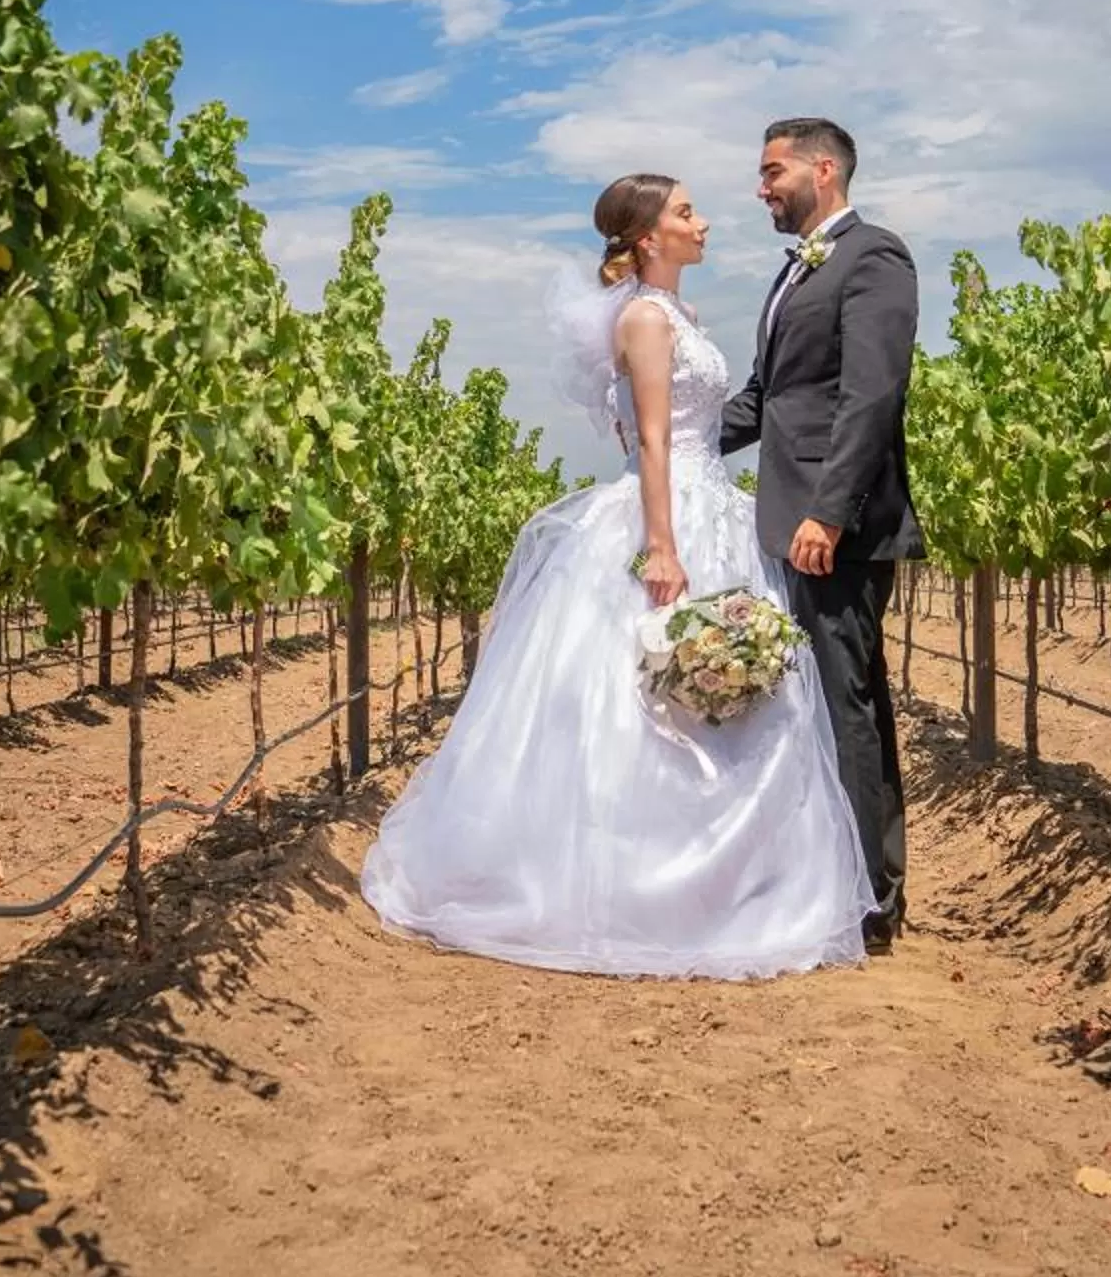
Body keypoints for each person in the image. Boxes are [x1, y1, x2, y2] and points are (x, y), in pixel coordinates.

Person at [358, 173, 876, 979]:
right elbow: (654, 442)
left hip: (715, 506)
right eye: (685, 212)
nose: (701, 222)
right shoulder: (642, 318)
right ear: (647, 239)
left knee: (730, 695)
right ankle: (629, 888)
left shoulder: (680, 314)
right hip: (667, 512)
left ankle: (733, 887)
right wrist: (662, 547)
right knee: (645, 695)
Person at [721, 118, 921, 950]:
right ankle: (830, 880)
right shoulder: (793, 272)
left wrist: (829, 512)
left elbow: (872, 396)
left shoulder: (873, 256)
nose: (761, 186)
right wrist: (664, 432)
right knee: (814, 703)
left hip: (834, 526)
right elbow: (770, 398)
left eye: (772, 170)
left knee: (845, 705)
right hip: (792, 518)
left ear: (824, 170)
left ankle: (869, 900)